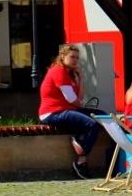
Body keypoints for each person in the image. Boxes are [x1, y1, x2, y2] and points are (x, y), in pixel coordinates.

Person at [38, 44, 105, 179]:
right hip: (53, 113)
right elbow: (71, 99)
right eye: (72, 57)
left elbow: (78, 98)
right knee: (92, 124)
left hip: (67, 109)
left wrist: (80, 78)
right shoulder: (58, 71)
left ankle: (80, 141)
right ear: (62, 57)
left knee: (103, 116)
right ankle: (81, 159)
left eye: (77, 58)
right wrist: (79, 105)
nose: (75, 60)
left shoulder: (70, 74)